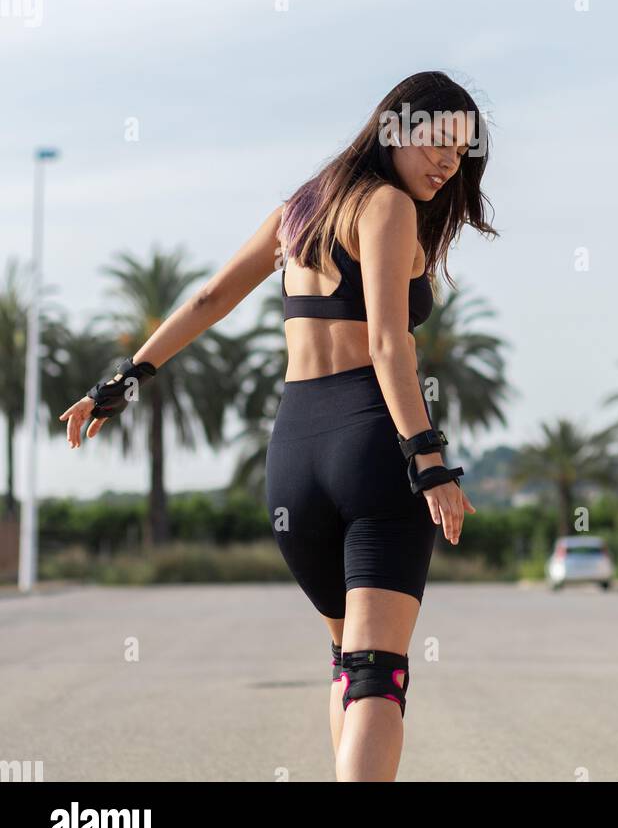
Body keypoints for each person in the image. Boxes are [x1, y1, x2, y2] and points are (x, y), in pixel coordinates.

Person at [61, 69, 497, 782]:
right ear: (395, 128)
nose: (448, 162)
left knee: (348, 664)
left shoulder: (302, 208)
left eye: (462, 152)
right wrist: (430, 461)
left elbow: (208, 298)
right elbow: (391, 344)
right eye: (436, 143)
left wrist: (123, 381)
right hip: (370, 446)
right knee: (378, 674)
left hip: (294, 456)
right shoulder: (387, 208)